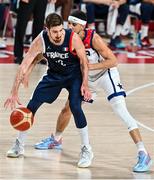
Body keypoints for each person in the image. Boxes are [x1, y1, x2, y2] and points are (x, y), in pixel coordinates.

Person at [34, 10, 152, 173]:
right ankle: (56, 139)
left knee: (121, 111)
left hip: (105, 75)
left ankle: (143, 153)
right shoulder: (67, 36)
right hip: (87, 78)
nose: (69, 26)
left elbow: (113, 61)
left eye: (73, 24)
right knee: (68, 108)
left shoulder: (94, 38)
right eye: (69, 23)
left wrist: (89, 67)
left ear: (82, 26)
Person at [4, 13, 94, 168]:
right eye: (55, 32)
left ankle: (87, 150)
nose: (59, 34)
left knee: (75, 106)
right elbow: (24, 65)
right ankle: (19, 145)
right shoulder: (40, 40)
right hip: (54, 74)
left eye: (60, 30)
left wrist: (85, 84)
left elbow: (84, 62)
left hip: (74, 75)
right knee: (31, 106)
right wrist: (14, 92)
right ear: (47, 30)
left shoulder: (72, 37)